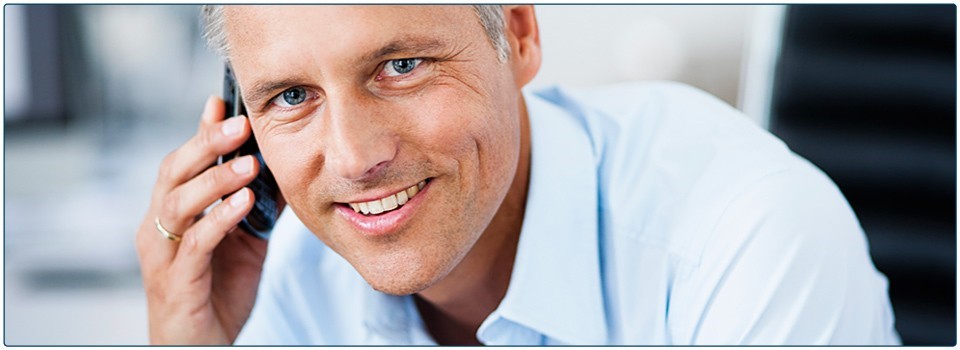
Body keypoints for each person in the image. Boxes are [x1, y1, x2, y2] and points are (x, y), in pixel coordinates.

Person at [135, 5, 900, 345]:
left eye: (401, 66)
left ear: (521, 34)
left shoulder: (750, 242)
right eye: (292, 97)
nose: (352, 157)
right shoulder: (284, 278)